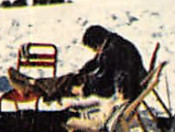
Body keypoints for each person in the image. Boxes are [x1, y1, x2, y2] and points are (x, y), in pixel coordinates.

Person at [8, 24, 147, 103]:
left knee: (68, 82)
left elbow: (103, 79)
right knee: (69, 80)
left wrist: (84, 88)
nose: (96, 51)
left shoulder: (111, 51)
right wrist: (84, 71)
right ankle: (35, 85)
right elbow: (97, 62)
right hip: (125, 83)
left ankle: (32, 86)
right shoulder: (115, 44)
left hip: (112, 88)